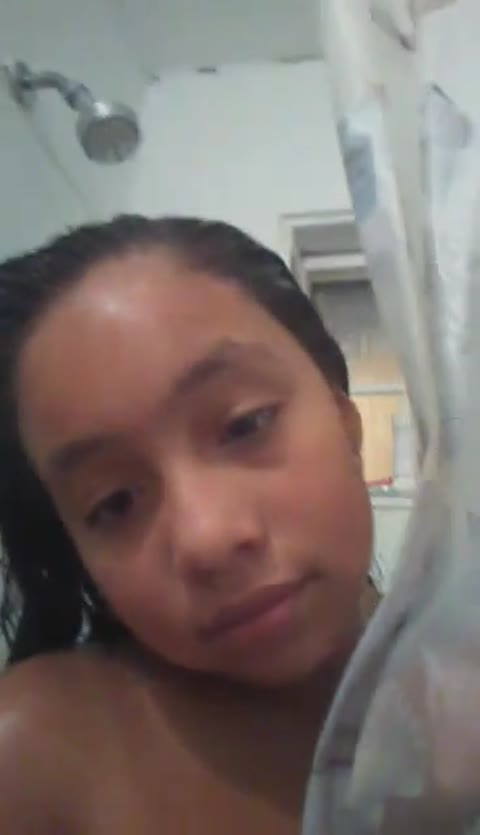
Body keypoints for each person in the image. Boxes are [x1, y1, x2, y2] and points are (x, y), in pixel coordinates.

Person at [0, 215, 373, 834]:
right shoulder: (34, 757)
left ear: (344, 418)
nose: (208, 538)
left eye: (245, 424)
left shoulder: (455, 662)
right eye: (114, 503)